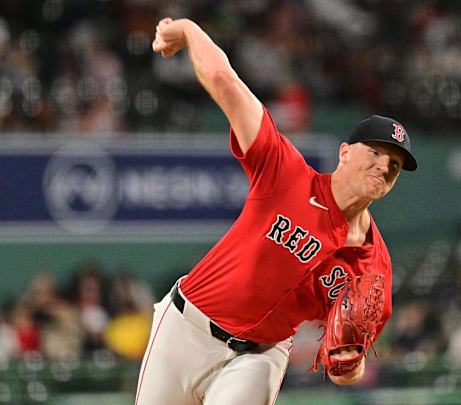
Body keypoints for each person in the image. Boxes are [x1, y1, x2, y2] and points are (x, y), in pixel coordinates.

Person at [135, 17, 418, 405]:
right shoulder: (287, 175)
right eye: (376, 153)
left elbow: (352, 366)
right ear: (345, 152)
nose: (384, 167)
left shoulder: (373, 268)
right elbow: (225, 81)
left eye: (395, 166)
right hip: (187, 328)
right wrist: (187, 29)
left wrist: (350, 368)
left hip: (261, 354)